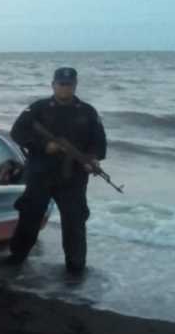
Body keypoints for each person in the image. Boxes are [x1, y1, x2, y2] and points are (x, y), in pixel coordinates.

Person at [6, 67, 107, 274]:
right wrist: (43, 146)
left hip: (73, 178)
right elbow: (17, 132)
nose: (64, 88)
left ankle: (76, 265)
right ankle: (16, 257)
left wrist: (91, 160)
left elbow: (99, 143)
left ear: (75, 85)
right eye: (61, 84)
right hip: (40, 174)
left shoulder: (87, 111)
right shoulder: (38, 108)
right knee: (30, 216)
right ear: (53, 85)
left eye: (69, 84)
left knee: (75, 222)